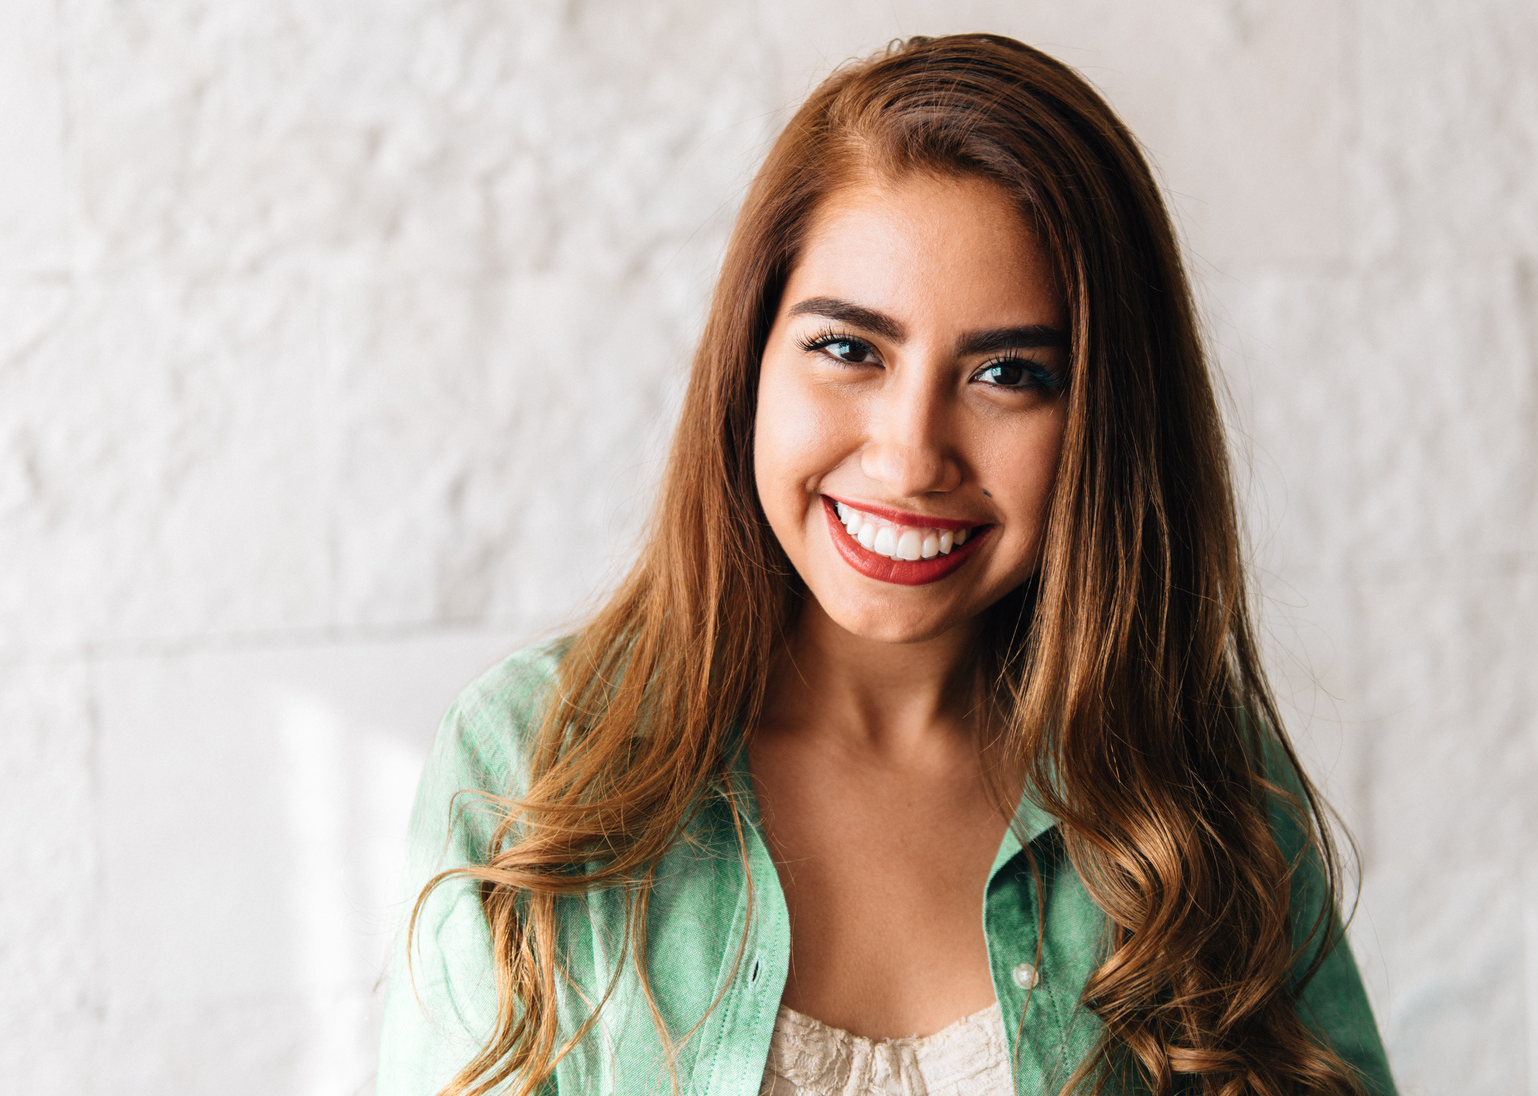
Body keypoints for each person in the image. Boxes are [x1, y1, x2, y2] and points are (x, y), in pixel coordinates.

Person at [376, 33, 1395, 1096]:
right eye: (849, 349)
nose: (910, 456)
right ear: (749, 361)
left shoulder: (1192, 779)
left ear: (1106, 418)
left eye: (1007, 373)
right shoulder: (534, 767)